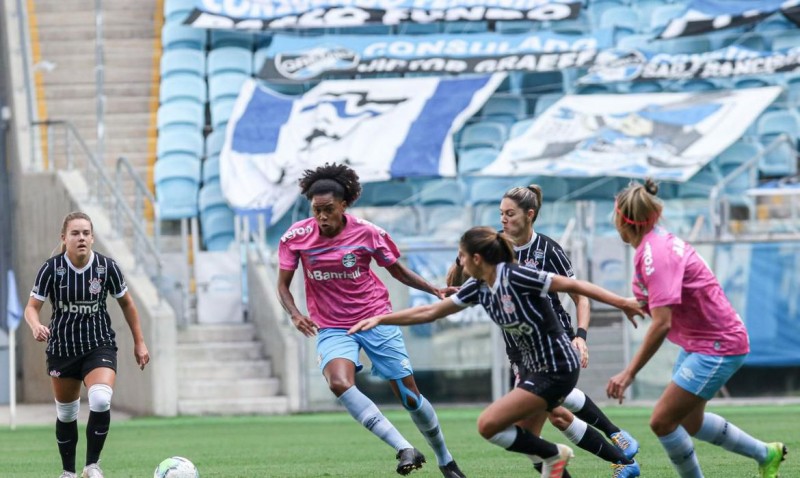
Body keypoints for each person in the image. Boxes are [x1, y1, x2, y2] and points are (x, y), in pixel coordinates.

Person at [350, 226, 646, 478]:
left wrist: (622, 302)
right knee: (528, 439)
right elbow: (430, 311)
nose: (459, 263)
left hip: (556, 366)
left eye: (461, 256)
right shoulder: (479, 287)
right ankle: (601, 459)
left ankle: (559, 454)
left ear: (476, 259)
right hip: (534, 367)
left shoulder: (516, 276)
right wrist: (381, 318)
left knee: (489, 425)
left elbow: (572, 284)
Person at [276, 163, 465, 477]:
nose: (321, 217)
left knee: (409, 397)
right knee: (338, 383)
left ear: (344, 205)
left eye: (328, 210)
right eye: (316, 210)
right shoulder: (296, 237)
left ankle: (446, 459)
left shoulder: (369, 233)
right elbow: (282, 284)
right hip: (332, 326)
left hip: (375, 318)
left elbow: (397, 270)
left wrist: (432, 288)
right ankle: (404, 447)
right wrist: (295, 314)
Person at [448, 185, 641, 478]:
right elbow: (456, 285)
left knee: (534, 427)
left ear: (530, 215)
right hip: (520, 351)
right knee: (556, 418)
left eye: (510, 214)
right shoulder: (492, 249)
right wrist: (463, 256)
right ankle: (622, 458)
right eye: (501, 214)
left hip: (553, 340)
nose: (503, 220)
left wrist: (580, 335)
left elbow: (579, 293)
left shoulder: (548, 249)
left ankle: (616, 443)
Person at [606, 178, 787, 478]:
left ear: (624, 220)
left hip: (718, 344)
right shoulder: (656, 241)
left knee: (662, 421)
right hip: (701, 341)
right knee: (689, 421)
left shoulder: (655, 253)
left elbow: (661, 323)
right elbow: (665, 302)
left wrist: (629, 373)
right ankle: (766, 454)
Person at [23, 212, 150, 478]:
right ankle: (68, 472)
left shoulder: (106, 268)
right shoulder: (52, 269)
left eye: (85, 233)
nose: (81, 238)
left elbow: (127, 303)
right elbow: (32, 308)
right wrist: (36, 326)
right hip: (63, 350)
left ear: (92, 238)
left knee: (101, 400)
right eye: (75, 233)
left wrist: (139, 342)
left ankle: (92, 465)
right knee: (67, 413)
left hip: (98, 345)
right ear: (64, 238)